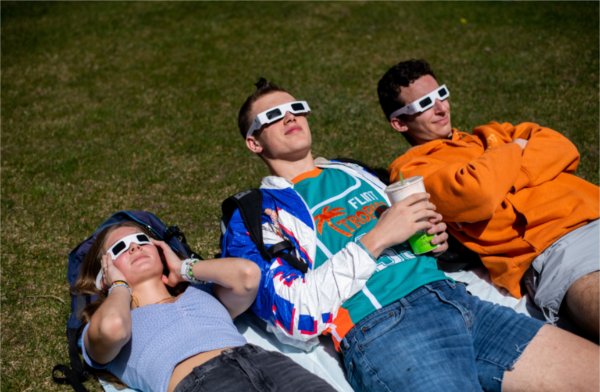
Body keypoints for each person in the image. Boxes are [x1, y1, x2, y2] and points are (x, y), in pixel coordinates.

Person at [220, 78, 599, 391]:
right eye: (272, 116)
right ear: (254, 143)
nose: (290, 117)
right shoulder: (255, 212)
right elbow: (292, 315)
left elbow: (419, 236)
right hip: (385, 330)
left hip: (459, 301)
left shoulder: (353, 171)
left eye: (296, 108)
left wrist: (431, 237)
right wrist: (378, 238)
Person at [377, 59, 600, 341]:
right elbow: (477, 195)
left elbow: (563, 147)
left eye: (441, 94)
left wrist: (504, 176)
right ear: (399, 123)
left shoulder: (491, 133)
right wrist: (514, 150)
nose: (441, 108)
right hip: (556, 246)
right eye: (423, 104)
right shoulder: (413, 170)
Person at [75, 220, 336, 392]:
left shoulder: (200, 293)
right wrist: (118, 286)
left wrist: (183, 268)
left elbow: (247, 275)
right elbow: (113, 328)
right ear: (103, 273)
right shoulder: (105, 320)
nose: (134, 248)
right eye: (120, 248)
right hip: (202, 383)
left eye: (142, 240)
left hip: (270, 365)